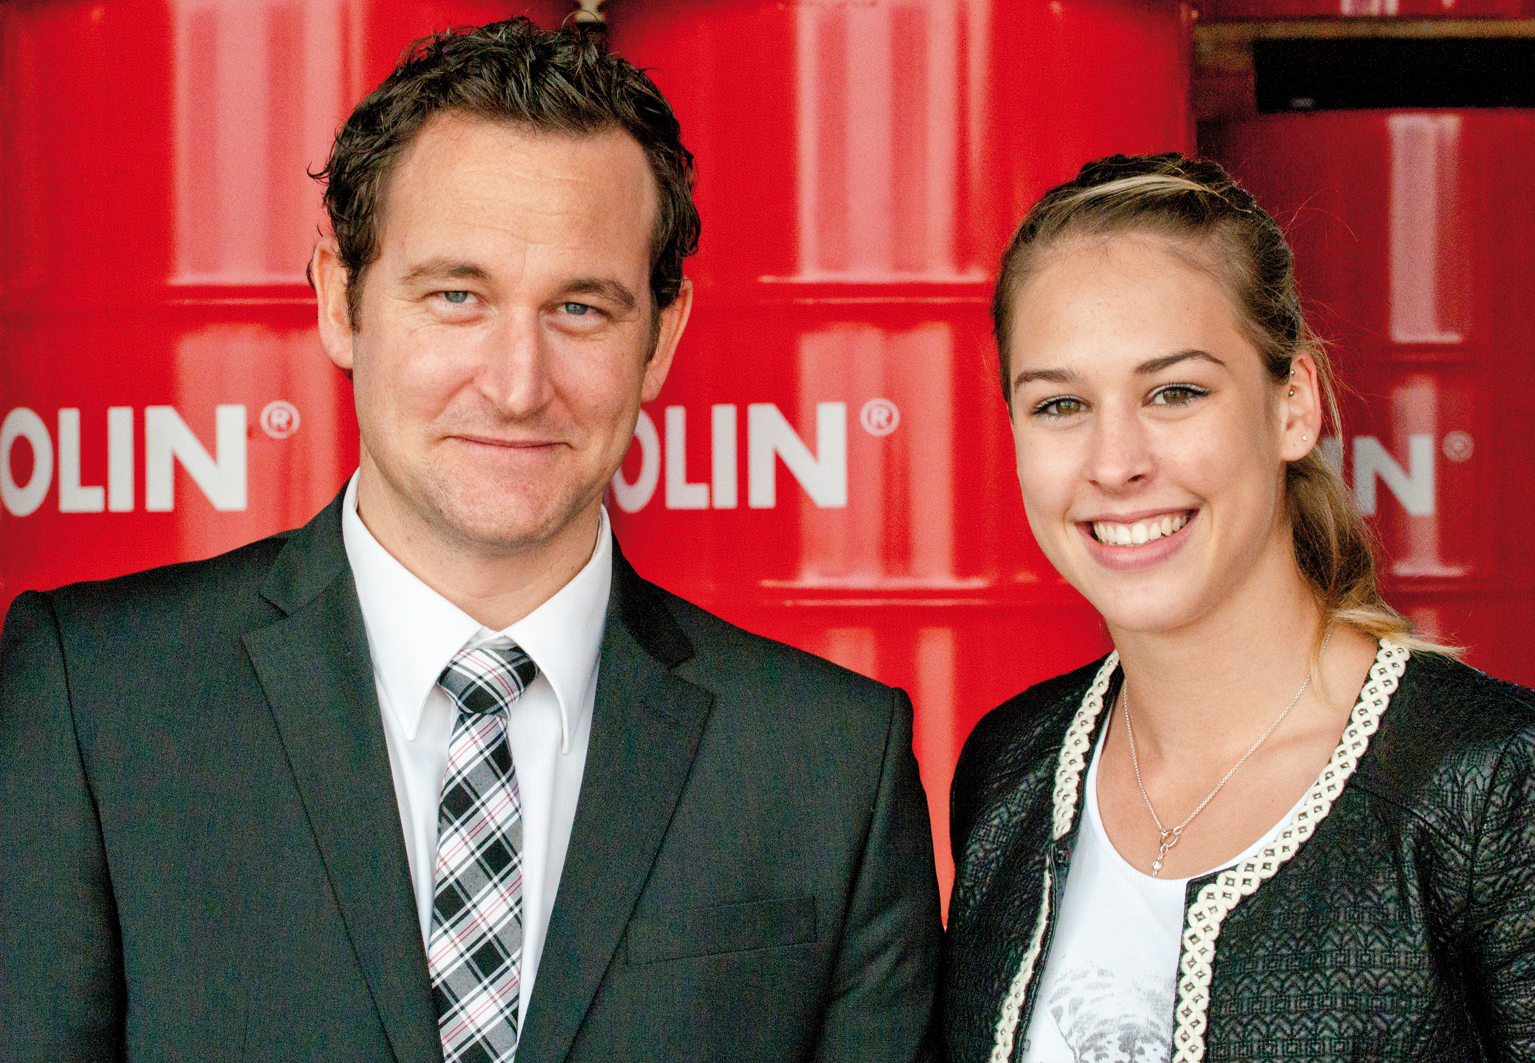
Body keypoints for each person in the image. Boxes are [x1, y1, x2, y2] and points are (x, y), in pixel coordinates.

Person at [0, 20, 941, 1063]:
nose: (516, 384)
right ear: (339, 299)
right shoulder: (94, 696)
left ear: (661, 337)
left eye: (579, 307)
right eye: (456, 296)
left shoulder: (829, 762)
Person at [942, 153, 1535, 1062]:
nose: (1115, 462)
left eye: (1174, 392)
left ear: (1292, 405)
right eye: (1059, 404)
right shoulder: (1009, 766)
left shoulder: (1490, 780)